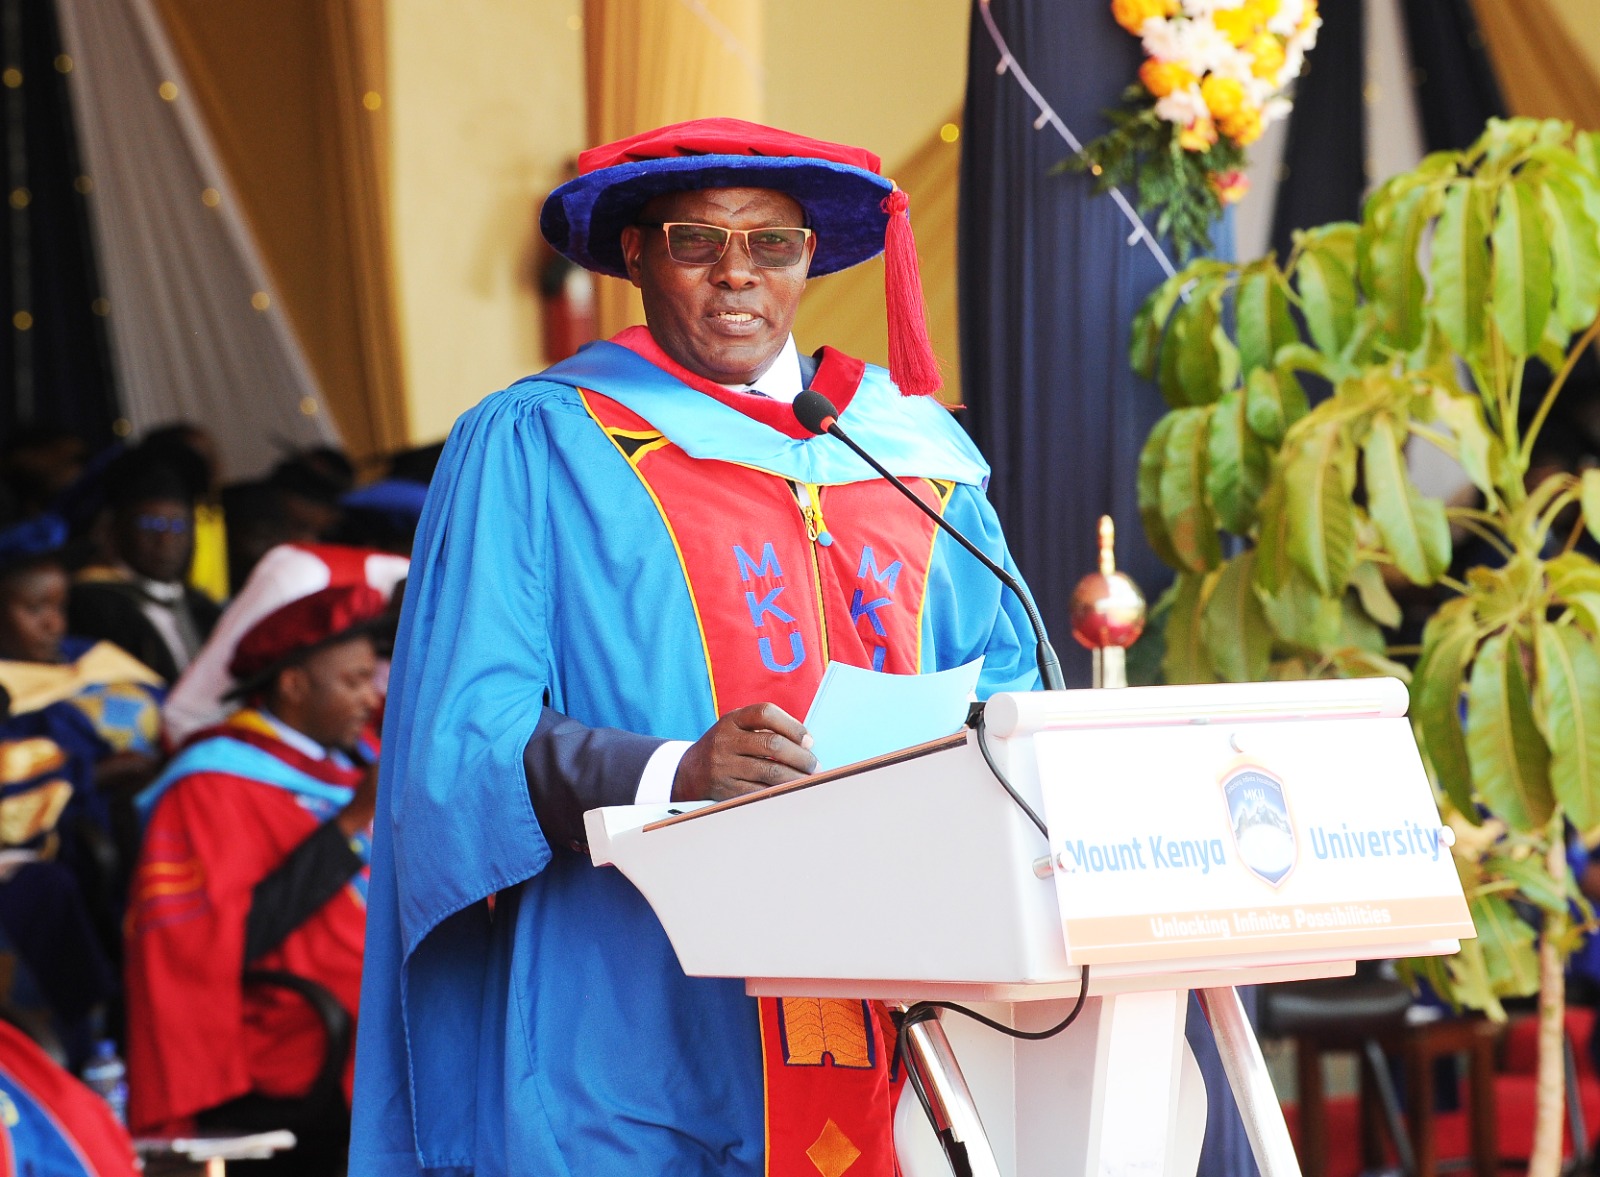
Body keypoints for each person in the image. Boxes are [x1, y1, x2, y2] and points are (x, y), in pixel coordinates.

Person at [349, 118, 1042, 1177]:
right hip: (635, 987)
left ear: (812, 256)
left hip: (899, 981)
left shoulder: (908, 454)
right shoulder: (547, 439)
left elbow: (1010, 690)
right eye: (693, 240)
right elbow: (464, 736)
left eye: (772, 243)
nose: (736, 275)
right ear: (633, 253)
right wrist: (678, 770)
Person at [123, 584, 387, 1168]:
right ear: (292, 686)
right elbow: (226, 941)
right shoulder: (209, 785)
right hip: (288, 1026)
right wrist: (349, 825)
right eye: (352, 682)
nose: (371, 700)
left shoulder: (349, 762)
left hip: (367, 994)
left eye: (372, 679)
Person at [69, 447, 221, 683]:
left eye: (178, 526)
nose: (166, 539)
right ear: (117, 529)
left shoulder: (204, 609)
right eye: (151, 524)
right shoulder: (91, 605)